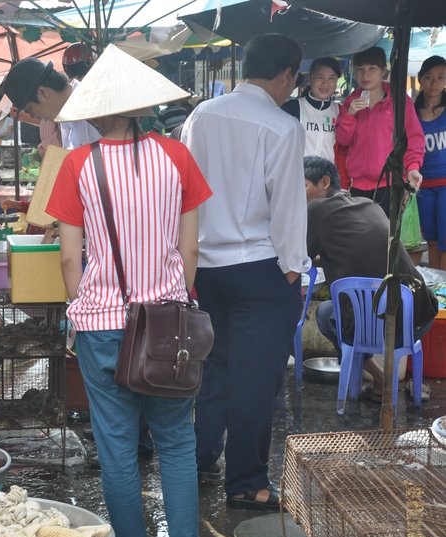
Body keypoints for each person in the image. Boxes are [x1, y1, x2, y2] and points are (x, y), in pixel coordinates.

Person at [47, 44, 212, 537]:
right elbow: (190, 252)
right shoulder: (177, 156)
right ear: (140, 106)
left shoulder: (77, 165)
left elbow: (71, 258)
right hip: (168, 320)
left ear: (95, 111)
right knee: (176, 443)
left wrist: (84, 308)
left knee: (116, 446)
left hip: (101, 324)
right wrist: (173, 294)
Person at [181, 33, 308, 511]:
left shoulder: (200, 117)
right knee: (255, 378)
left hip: (207, 268)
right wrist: (292, 268)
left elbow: (184, 192)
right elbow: (288, 208)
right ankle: (247, 482)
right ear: (287, 76)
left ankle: (199, 457)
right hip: (259, 267)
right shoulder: (281, 126)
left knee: (216, 368)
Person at [304, 156, 437, 400]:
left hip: (373, 328)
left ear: (324, 182)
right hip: (417, 319)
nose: (300, 194)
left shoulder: (315, 209)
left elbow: (301, 258)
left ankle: (379, 378)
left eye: (304, 186)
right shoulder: (370, 204)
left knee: (326, 314)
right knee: (355, 312)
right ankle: (382, 380)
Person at [335, 46, 425, 216]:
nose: (365, 75)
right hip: (357, 187)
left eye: (372, 69)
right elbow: (343, 140)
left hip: (389, 184)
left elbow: (413, 139)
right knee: (360, 239)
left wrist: (413, 167)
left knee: (385, 239)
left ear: (383, 70)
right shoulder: (350, 101)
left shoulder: (398, 100)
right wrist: (349, 116)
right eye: (360, 69)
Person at [0, 57, 100, 151]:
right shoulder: (64, 117)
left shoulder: (95, 107)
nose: (33, 116)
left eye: (29, 109)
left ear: (43, 93)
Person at [414, 55, 446, 270]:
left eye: (440, 77)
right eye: (428, 77)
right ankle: (436, 293)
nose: (434, 83)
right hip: (422, 187)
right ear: (420, 79)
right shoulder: (411, 113)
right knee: (432, 241)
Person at [282, 57, 342, 161]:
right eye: (320, 77)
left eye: (331, 78)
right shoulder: (292, 108)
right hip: (298, 175)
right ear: (310, 79)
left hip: (329, 175)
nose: (325, 83)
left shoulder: (340, 111)